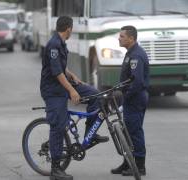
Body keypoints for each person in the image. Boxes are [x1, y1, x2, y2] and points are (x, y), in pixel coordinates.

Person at [40, 16, 109, 180]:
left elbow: (63, 69)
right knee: (58, 126)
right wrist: (72, 90)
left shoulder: (61, 42)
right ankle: (55, 169)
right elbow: (57, 73)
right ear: (69, 29)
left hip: (64, 82)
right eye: (72, 29)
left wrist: (74, 77)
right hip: (53, 90)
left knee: (95, 95)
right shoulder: (54, 45)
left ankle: (89, 134)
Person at [111, 25, 149, 176]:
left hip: (135, 99)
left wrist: (125, 97)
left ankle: (139, 166)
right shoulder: (130, 53)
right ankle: (127, 163)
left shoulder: (136, 56)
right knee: (127, 132)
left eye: (122, 36)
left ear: (131, 38)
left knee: (134, 132)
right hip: (130, 99)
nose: (119, 38)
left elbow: (137, 82)